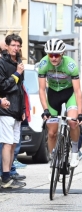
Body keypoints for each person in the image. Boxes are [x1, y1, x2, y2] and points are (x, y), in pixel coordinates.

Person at [38, 39, 82, 178]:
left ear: (62, 53)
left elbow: (78, 92)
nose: (53, 58)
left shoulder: (71, 65)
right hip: (53, 94)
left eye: (56, 55)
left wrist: (80, 114)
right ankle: (53, 160)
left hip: (69, 93)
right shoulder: (43, 64)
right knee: (51, 132)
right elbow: (41, 90)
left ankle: (75, 151)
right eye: (50, 54)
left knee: (72, 122)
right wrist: (45, 109)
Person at [0, 34, 26, 188]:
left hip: (16, 110)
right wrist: (16, 74)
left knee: (14, 143)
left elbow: (20, 90)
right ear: (7, 46)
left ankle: (8, 175)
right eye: (13, 45)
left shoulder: (19, 62)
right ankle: (5, 178)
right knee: (7, 144)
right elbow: (2, 86)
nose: (16, 48)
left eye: (18, 46)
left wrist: (22, 109)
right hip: (6, 109)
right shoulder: (2, 62)